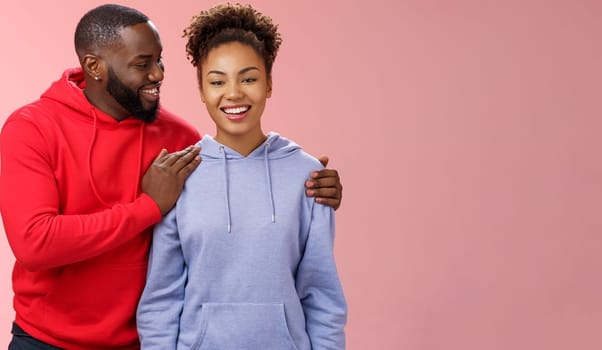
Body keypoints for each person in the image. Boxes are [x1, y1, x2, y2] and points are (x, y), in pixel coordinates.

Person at [0, 4, 342, 349]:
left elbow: (237, 182)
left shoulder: (179, 141)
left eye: (159, 61)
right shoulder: (31, 129)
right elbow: (35, 243)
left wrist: (309, 181)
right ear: (94, 66)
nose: (158, 74)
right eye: (142, 64)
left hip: (136, 343)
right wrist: (147, 207)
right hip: (46, 341)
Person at [136, 3, 347, 349]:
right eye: (217, 81)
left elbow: (322, 296)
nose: (233, 93)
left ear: (269, 84)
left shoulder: (306, 175)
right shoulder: (180, 174)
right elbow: (162, 299)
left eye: (248, 78)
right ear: (202, 91)